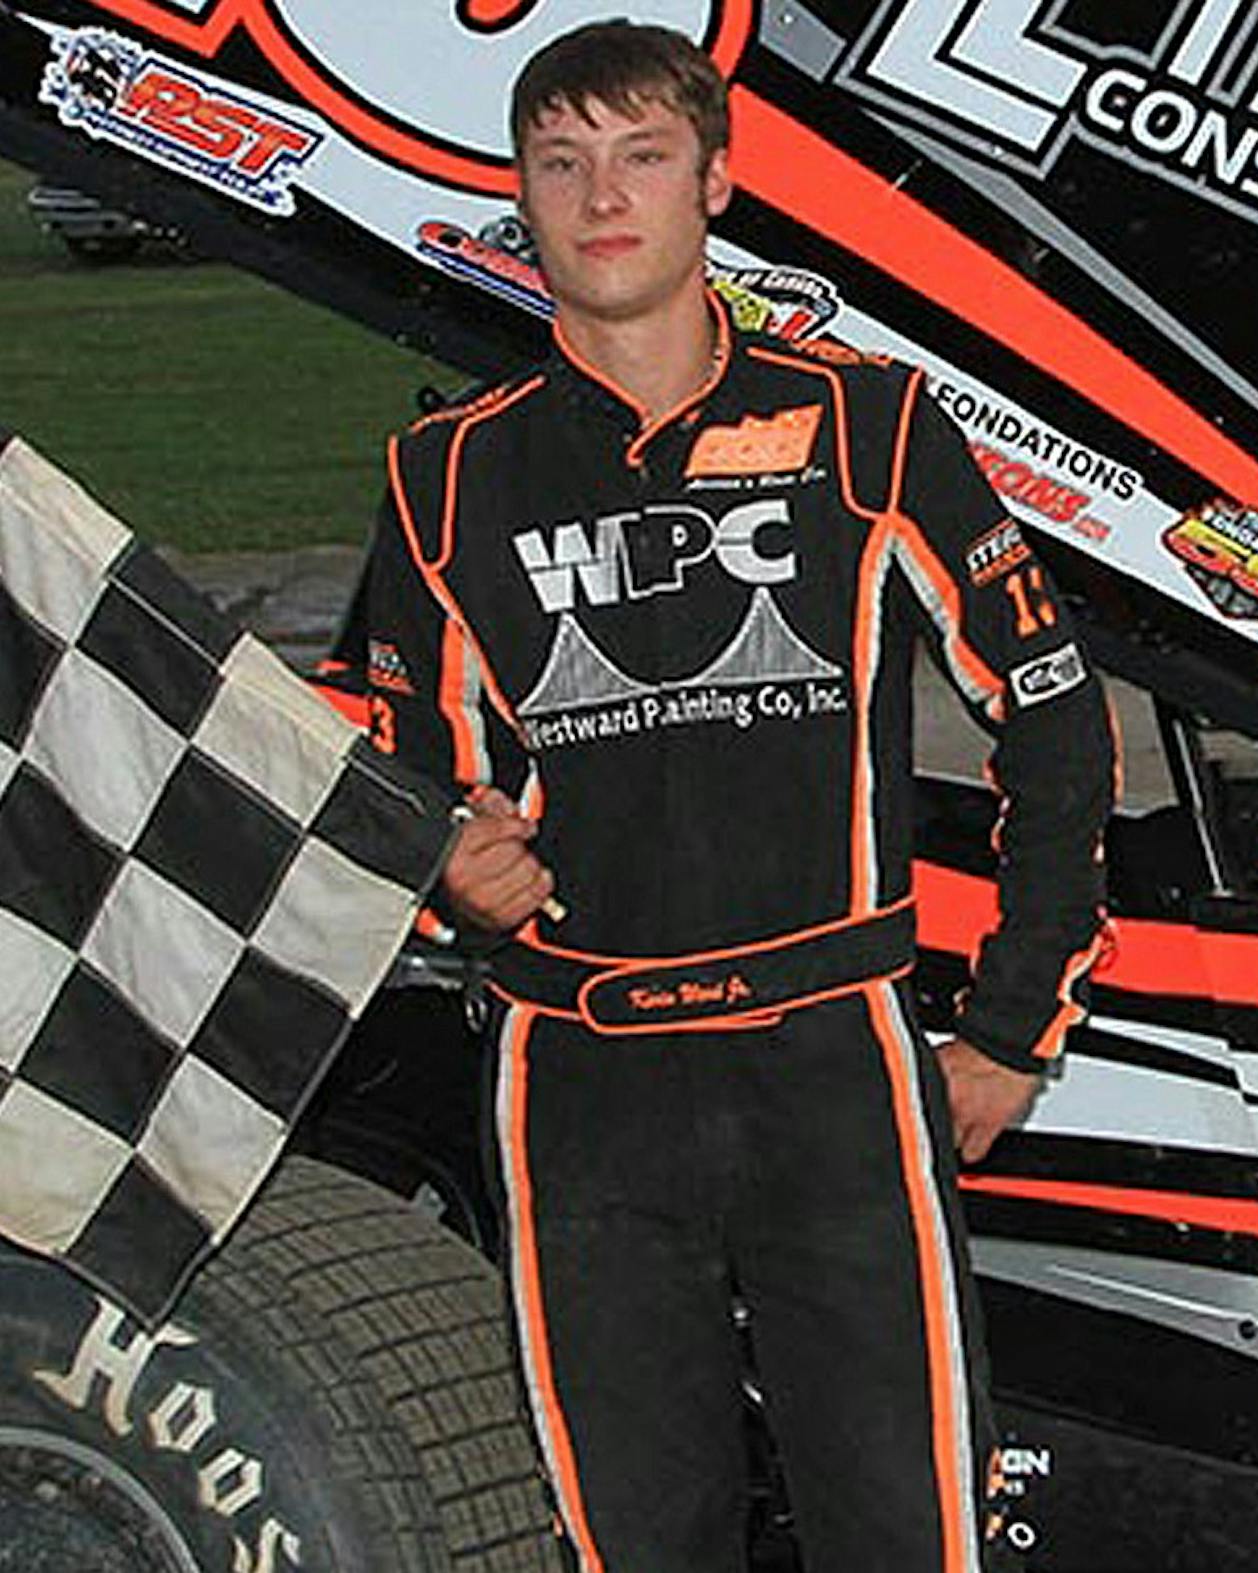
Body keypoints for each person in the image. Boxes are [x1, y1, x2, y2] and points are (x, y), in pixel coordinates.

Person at [359, 20, 1115, 1572]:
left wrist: (1010, 1027)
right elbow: (395, 761)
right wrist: (449, 854)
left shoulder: (871, 427)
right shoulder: (447, 472)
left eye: (641, 156)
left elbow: (1054, 721)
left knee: (908, 1537)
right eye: (560, 164)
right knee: (640, 1542)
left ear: (716, 178)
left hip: (829, 1064)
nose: (601, 197)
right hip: (582, 1080)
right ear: (522, 196)